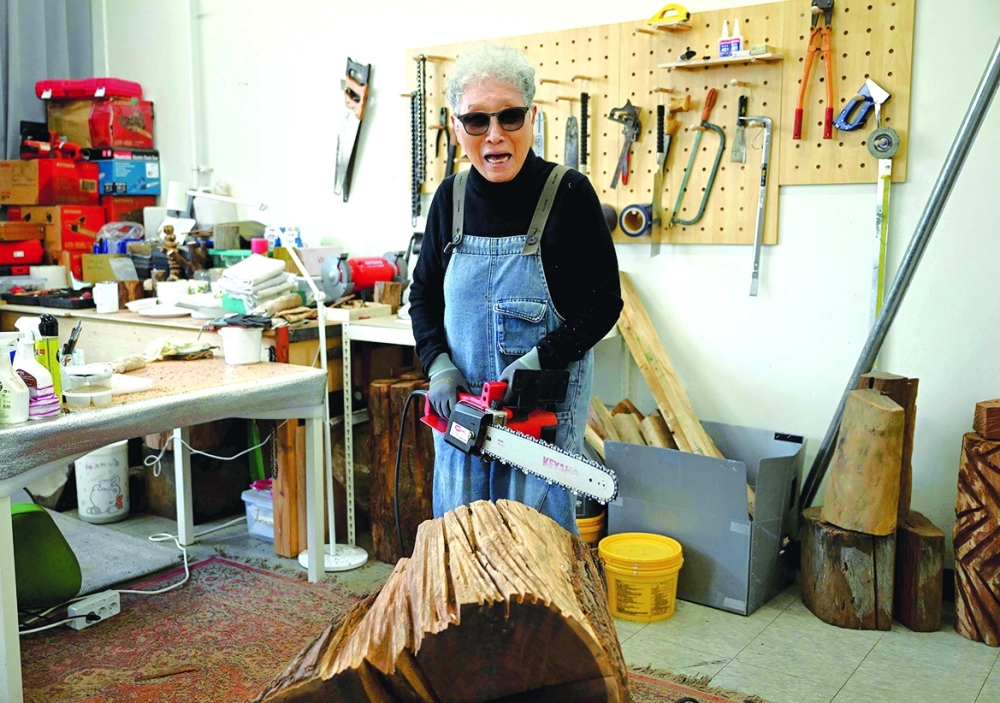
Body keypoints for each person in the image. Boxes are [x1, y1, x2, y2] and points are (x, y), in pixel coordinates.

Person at [408, 43, 622, 535]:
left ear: (533, 117)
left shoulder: (568, 194)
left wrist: (537, 362)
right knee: (461, 551)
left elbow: (604, 302)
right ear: (456, 124)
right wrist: (439, 367)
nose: (495, 135)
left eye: (510, 117)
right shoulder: (450, 199)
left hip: (538, 428)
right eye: (477, 121)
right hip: (463, 422)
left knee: (535, 560)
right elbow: (422, 297)